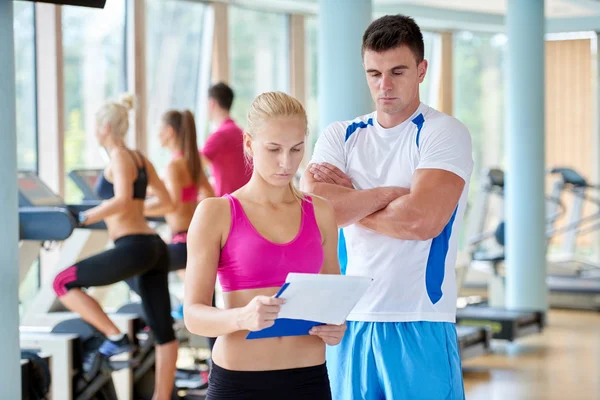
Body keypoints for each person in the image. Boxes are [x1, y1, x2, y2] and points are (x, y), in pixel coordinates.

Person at [300, 14, 474, 400]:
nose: (385, 85)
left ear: (422, 69)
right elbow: (314, 212)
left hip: (420, 320)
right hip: (349, 321)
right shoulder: (340, 135)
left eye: (397, 71)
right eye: (374, 73)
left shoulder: (442, 132)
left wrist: (351, 200)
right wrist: (387, 194)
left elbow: (421, 220)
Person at [183, 91, 346, 400]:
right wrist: (240, 318)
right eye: (274, 149)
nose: (286, 163)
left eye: (296, 149)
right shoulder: (215, 213)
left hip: (308, 381)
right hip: (240, 384)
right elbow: (193, 315)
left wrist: (337, 327)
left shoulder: (321, 212)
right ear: (249, 144)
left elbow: (332, 304)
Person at [52, 94, 179, 400]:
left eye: (95, 125)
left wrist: (83, 217)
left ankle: (116, 337)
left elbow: (121, 199)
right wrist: (137, 208)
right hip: (153, 247)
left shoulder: (120, 158)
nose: (94, 130)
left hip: (134, 247)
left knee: (62, 282)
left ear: (105, 127)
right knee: (165, 334)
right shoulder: (139, 158)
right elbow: (166, 201)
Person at [147, 109, 215, 274]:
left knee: (142, 267)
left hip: (183, 242)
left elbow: (172, 204)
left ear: (169, 131)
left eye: (159, 130)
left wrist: (137, 208)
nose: (157, 135)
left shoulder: (173, 167)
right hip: (197, 238)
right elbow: (210, 195)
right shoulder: (193, 163)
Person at [201, 82, 252, 197]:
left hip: (229, 203)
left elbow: (195, 165)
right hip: (244, 199)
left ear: (212, 104)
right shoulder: (239, 131)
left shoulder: (219, 135)